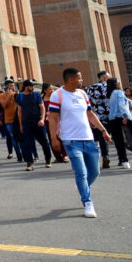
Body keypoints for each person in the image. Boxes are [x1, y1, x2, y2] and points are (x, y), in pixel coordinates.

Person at [48, 67, 112, 218]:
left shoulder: (83, 93)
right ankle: (88, 202)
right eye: (80, 78)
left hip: (88, 138)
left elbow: (90, 113)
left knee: (95, 171)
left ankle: (83, 187)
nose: (82, 81)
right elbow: (52, 118)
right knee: (81, 172)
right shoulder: (57, 95)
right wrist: (53, 138)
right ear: (70, 79)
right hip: (70, 139)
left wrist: (103, 131)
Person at [106, 77, 132, 170]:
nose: (119, 83)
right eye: (118, 82)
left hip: (112, 119)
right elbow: (122, 105)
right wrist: (125, 116)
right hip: (123, 117)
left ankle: (124, 161)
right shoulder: (119, 92)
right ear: (115, 84)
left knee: (119, 141)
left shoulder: (109, 95)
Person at [17, 79, 52, 171]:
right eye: (30, 86)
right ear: (26, 87)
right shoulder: (20, 97)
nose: (32, 88)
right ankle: (29, 163)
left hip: (38, 122)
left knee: (44, 142)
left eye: (33, 86)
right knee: (27, 144)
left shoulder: (36, 95)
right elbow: (19, 111)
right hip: (26, 123)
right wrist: (20, 125)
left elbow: (43, 108)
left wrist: (42, 119)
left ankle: (48, 160)